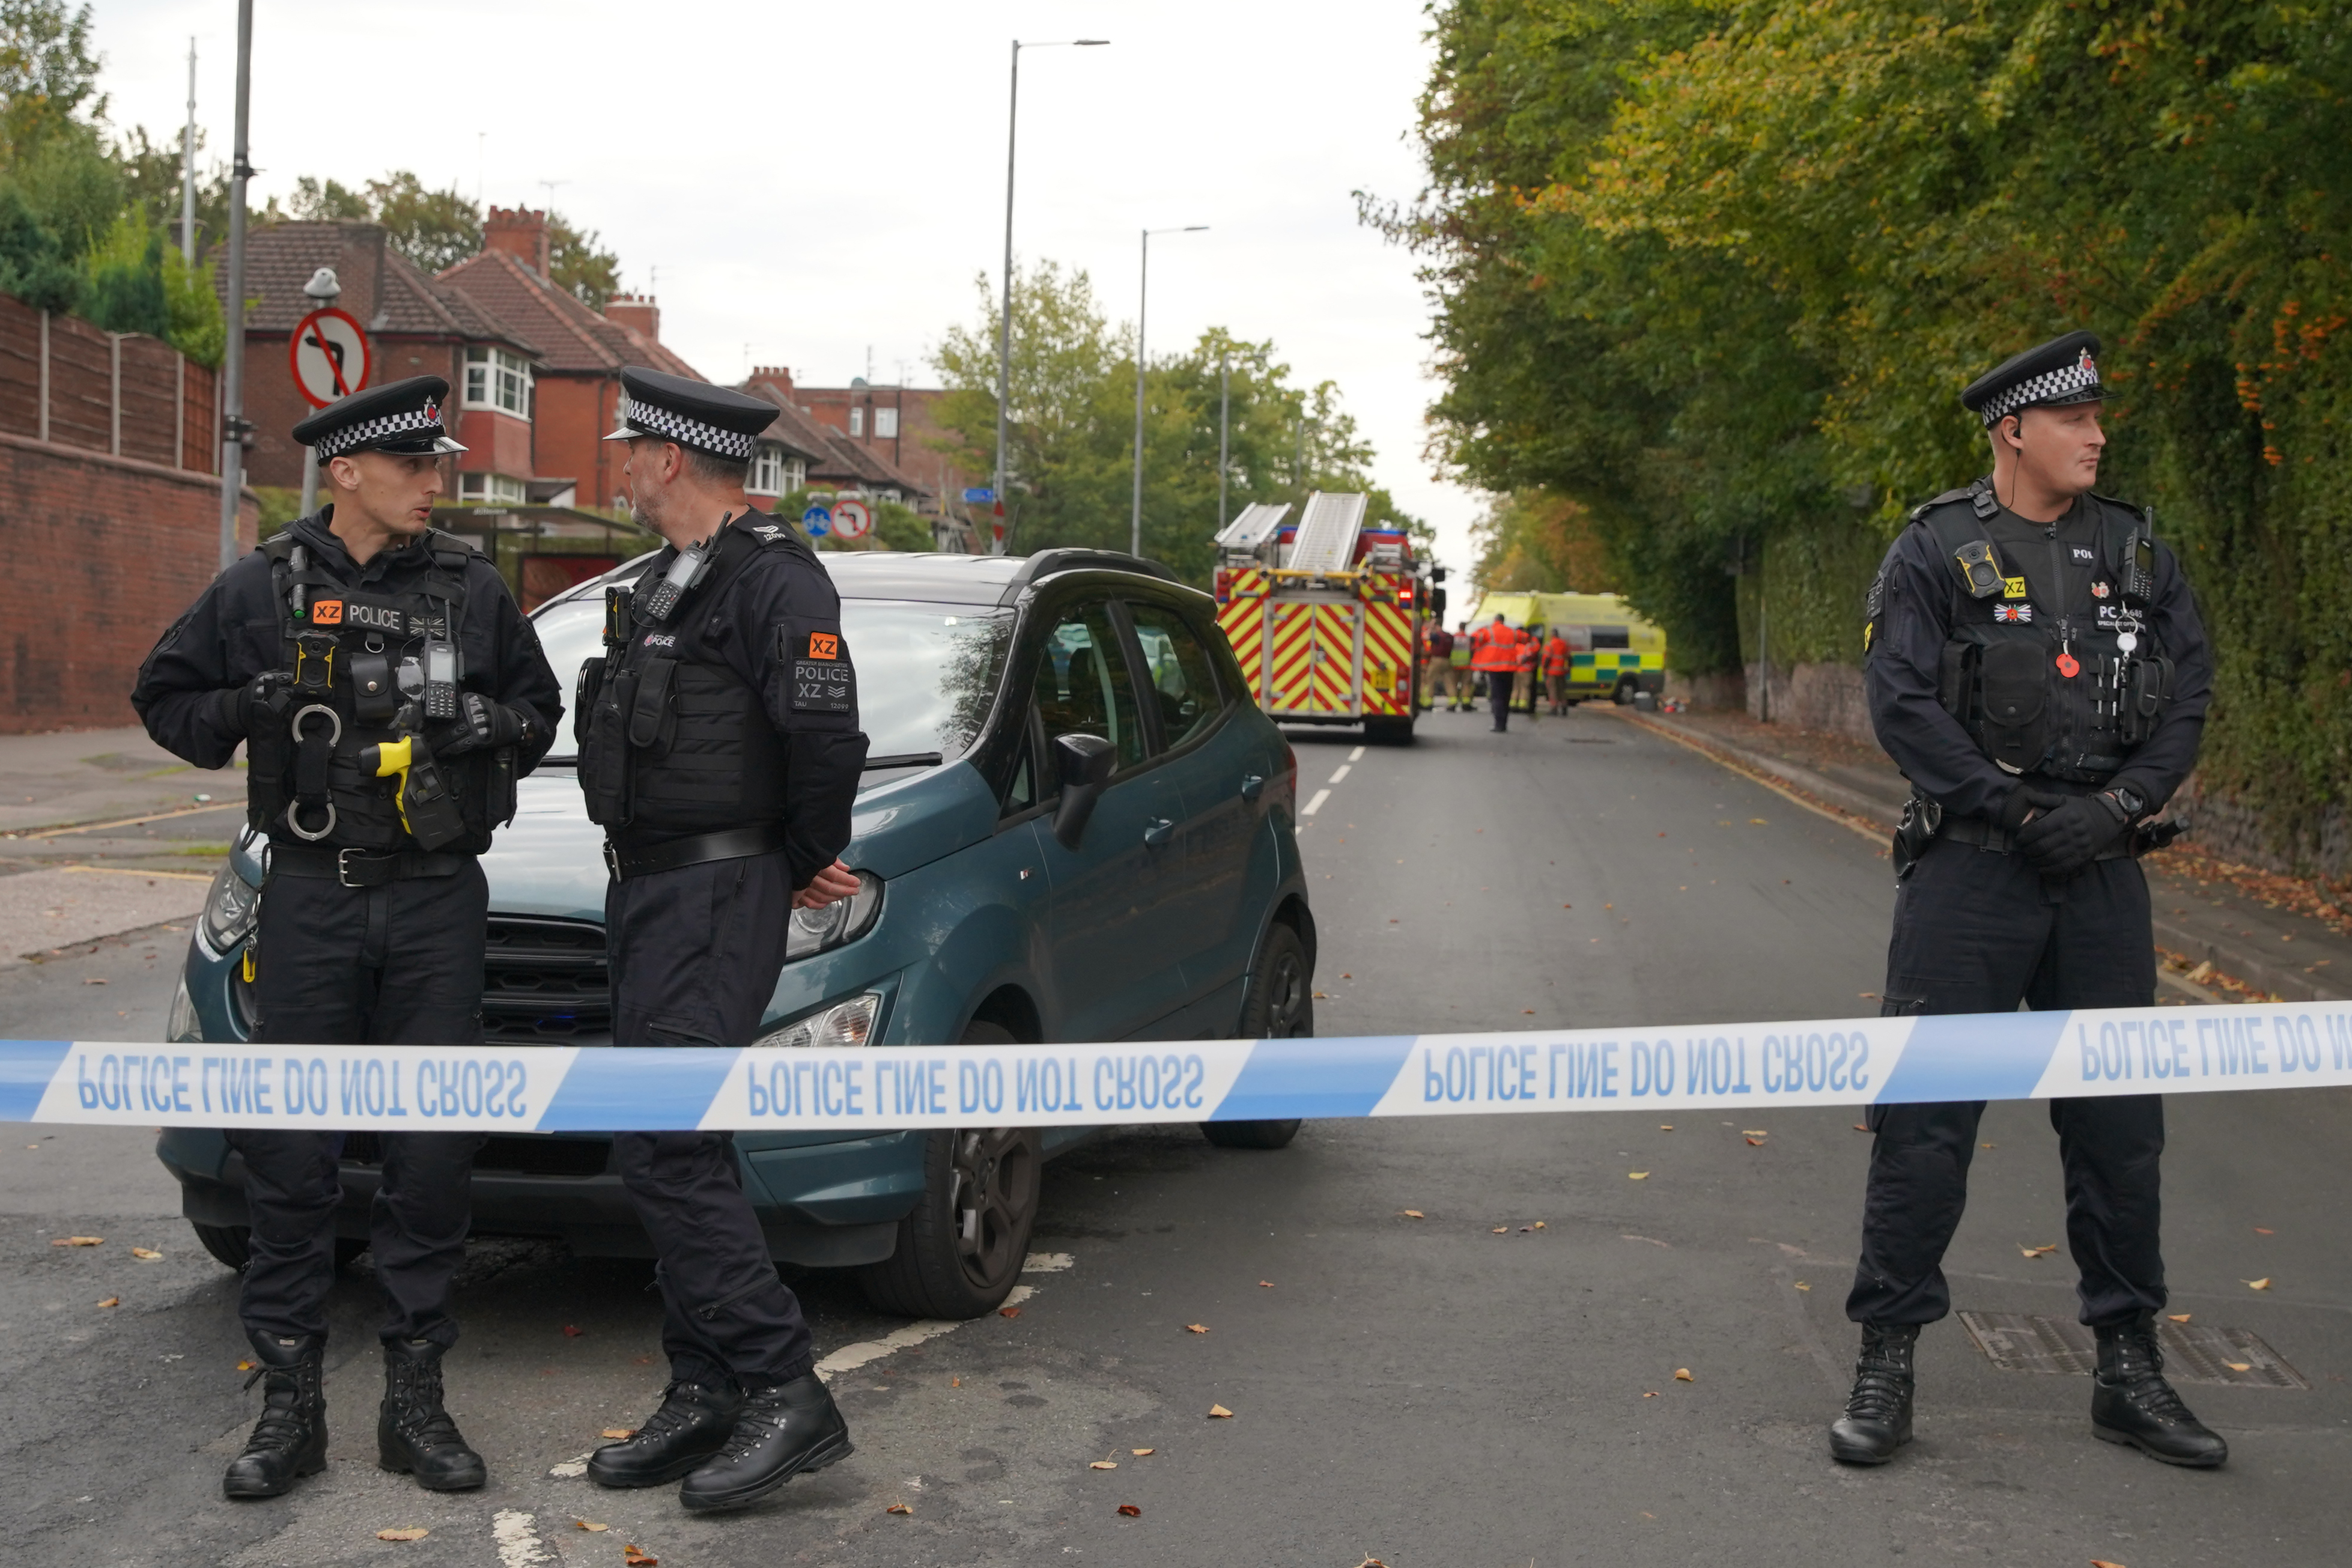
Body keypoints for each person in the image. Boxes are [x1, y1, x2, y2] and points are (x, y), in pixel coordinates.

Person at [132, 377, 563, 1500]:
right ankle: (289, 1407)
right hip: (313, 893)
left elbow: (540, 709)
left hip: (434, 897)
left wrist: (494, 728)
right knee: (291, 1155)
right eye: (417, 466)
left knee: (429, 1156)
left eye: (441, 466)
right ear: (347, 473)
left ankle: (415, 1403)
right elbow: (166, 699)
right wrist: (248, 708)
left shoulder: (471, 589)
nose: (438, 482)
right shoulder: (259, 589)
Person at [1834, 330, 2222, 1469]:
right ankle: (1885, 1362)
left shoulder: (2140, 553)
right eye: (2074, 420)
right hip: (1974, 872)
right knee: (1927, 1123)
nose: (2098, 437)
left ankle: (2131, 1372)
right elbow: (1902, 703)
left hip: (2103, 873)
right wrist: (2009, 814)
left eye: (2100, 420)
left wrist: (2124, 806)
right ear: (2014, 431)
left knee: (2119, 1131)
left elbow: (2188, 691)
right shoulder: (1936, 551)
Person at [577, 367, 871, 1513]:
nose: (623, 465)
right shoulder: (661, 583)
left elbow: (825, 740)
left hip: (714, 896)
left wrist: (795, 857)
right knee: (676, 1142)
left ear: (672, 461)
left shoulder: (776, 583)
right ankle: (703, 1391)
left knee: (664, 1146)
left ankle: (786, 1389)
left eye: (631, 450)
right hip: (649, 894)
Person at [1471, 613, 1519, 731]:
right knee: (1506, 697)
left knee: (1497, 697)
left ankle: (1498, 725)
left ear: (1495, 620)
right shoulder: (1512, 632)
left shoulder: (1489, 631)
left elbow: (1475, 638)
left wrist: (1482, 628)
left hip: (1495, 669)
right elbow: (1527, 638)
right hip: (1510, 669)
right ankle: (1504, 724)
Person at [1421, 621, 1453, 711]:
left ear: (1437, 626)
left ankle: (1428, 703)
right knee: (1450, 682)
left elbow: (1425, 637)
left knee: (1429, 680)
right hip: (1448, 660)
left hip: (1436, 660)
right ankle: (1453, 703)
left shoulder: (1437, 636)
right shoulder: (1449, 636)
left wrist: (1430, 627)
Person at [1447, 619, 1475, 711]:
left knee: (1453, 684)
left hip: (1454, 665)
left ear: (1459, 627)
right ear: (1465, 627)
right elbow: (1473, 650)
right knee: (1466, 684)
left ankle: (1453, 703)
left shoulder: (1453, 637)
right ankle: (1466, 703)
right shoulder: (1469, 638)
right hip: (1467, 665)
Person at [1543, 627, 1571, 713]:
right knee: (1562, 690)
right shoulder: (1564, 644)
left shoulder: (1550, 644)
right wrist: (1569, 668)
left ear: (1552, 635)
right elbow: (1570, 658)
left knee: (1553, 690)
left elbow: (1547, 658)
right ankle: (1564, 707)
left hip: (1552, 672)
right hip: (1562, 671)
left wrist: (1545, 669)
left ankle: (1554, 708)